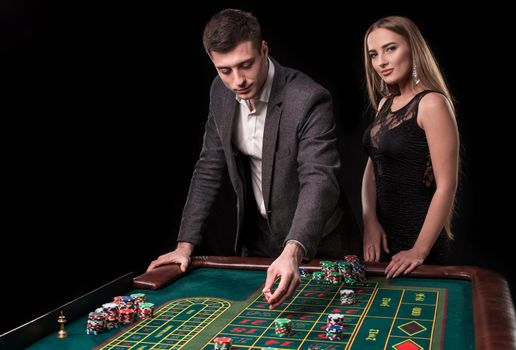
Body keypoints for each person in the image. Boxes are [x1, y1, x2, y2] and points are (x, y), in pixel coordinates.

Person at [147, 9, 360, 309]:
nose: (237, 80)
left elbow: (319, 178)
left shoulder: (308, 98)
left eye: (245, 65)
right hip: (260, 243)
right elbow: (209, 166)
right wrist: (185, 245)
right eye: (225, 70)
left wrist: (293, 251)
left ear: (264, 49)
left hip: (319, 244)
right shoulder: (219, 93)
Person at [361, 16, 459, 278]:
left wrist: (419, 250)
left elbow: (447, 185)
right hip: (382, 237)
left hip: (419, 241)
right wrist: (370, 221)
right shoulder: (384, 105)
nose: (381, 61)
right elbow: (372, 171)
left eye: (390, 48)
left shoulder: (432, 103)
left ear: (413, 48)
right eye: (373, 54)